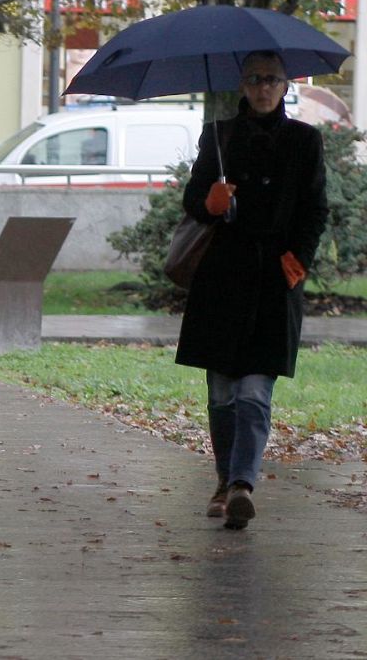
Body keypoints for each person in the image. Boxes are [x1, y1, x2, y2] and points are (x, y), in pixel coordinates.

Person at [178, 50, 327, 531]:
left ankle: (243, 484)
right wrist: (211, 201)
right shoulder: (219, 136)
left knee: (255, 391)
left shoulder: (305, 141)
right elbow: (193, 203)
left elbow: (315, 208)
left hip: (274, 279)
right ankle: (224, 481)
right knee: (222, 394)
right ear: (242, 85)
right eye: (254, 79)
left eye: (272, 79)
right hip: (222, 279)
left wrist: (298, 260)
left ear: (286, 86)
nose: (263, 88)